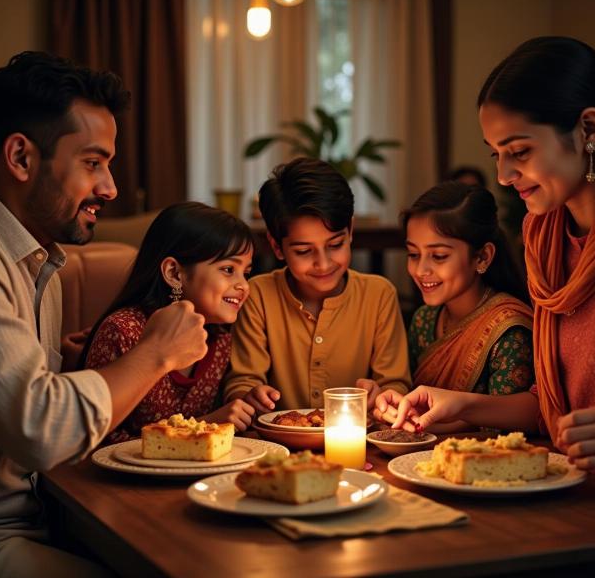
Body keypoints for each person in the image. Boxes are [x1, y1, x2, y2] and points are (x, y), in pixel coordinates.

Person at [0, 52, 208, 576]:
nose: (109, 187)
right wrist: (154, 353)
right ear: (21, 158)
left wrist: (68, 369)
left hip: (53, 514)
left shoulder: (41, 265)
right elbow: (41, 429)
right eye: (93, 163)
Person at [374, 36, 595, 472]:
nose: (504, 175)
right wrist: (459, 403)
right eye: (495, 154)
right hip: (557, 475)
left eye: (519, 152)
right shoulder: (544, 237)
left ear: (588, 129)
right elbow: (548, 405)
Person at [223, 157, 411, 413]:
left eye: (335, 245)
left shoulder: (379, 295)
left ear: (350, 230)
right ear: (277, 247)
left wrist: (384, 396)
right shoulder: (257, 295)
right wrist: (250, 396)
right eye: (303, 251)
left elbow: (395, 385)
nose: (323, 264)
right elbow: (243, 381)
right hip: (276, 447)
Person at [81, 202, 257, 437]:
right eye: (228, 269)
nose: (243, 286)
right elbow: (96, 439)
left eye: (246, 273)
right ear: (174, 273)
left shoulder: (221, 342)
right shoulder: (123, 332)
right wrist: (206, 425)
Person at [403, 182, 534, 431]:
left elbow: (507, 431)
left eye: (439, 256)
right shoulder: (425, 319)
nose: (420, 270)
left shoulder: (509, 330)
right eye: (413, 254)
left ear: (482, 257)